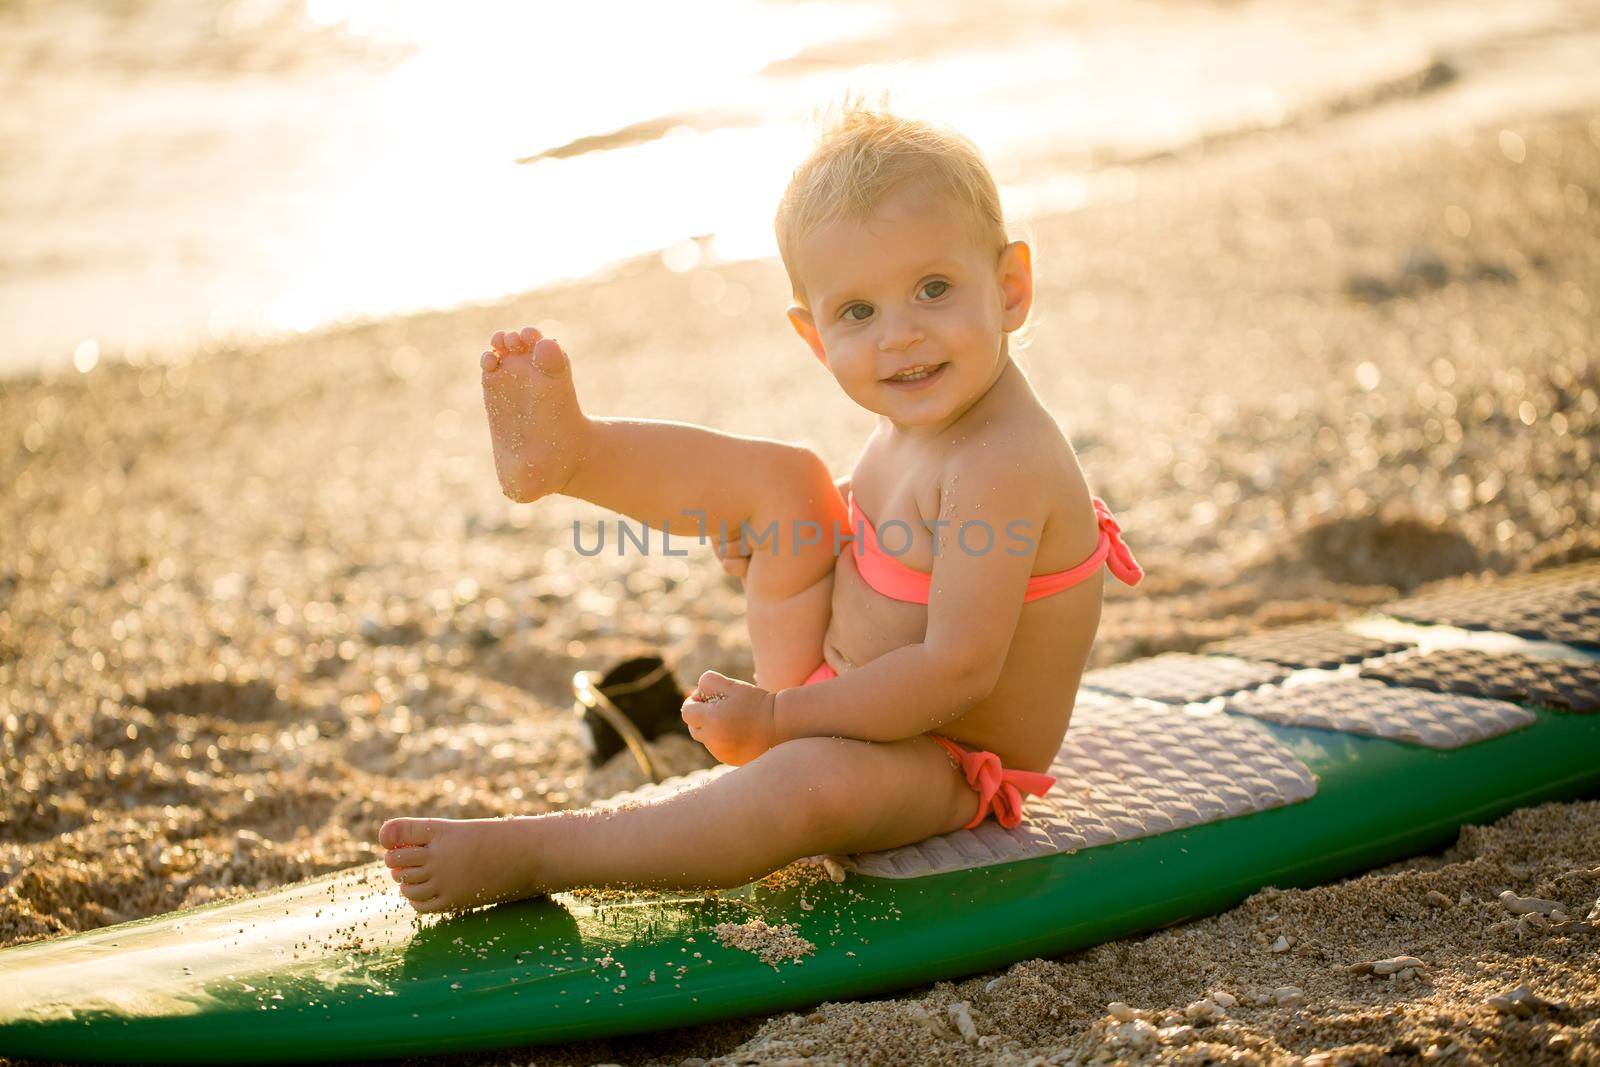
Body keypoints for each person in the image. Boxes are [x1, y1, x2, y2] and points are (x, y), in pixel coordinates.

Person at [376, 103, 1141, 912]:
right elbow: (892, 535)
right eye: (859, 311)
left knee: (811, 783)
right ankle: (576, 454)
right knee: (788, 481)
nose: (900, 335)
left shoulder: (1004, 457)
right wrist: (787, 536)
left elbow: (955, 671)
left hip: (938, 760)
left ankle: (543, 851)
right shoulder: (921, 419)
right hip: (833, 689)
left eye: (933, 288)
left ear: (1012, 287)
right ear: (815, 339)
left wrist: (780, 719)